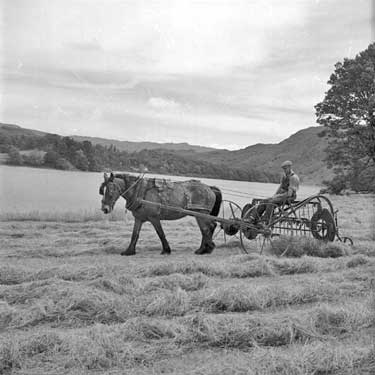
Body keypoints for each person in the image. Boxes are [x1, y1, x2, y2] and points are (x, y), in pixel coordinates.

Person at [248, 160, 300, 225]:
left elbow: (289, 194)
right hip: (282, 195)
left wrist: (277, 196)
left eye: (285, 168)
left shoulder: (293, 178)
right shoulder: (284, 176)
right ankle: (253, 218)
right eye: (283, 169)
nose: (284, 170)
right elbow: (281, 187)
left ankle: (266, 220)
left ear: (290, 167)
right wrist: (274, 195)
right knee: (264, 201)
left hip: (290, 196)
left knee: (271, 202)